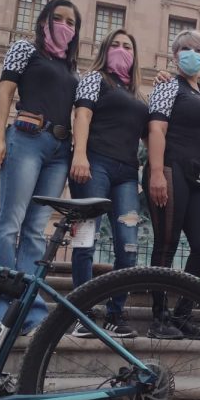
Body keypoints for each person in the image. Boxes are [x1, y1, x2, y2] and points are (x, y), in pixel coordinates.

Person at [0, 0, 81, 336]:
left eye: (72, 22)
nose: (65, 26)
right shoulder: (24, 49)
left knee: (36, 231)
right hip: (26, 138)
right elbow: (5, 93)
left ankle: (29, 315)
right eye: (59, 18)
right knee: (10, 223)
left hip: (60, 150)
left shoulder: (71, 68)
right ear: (44, 21)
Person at [68, 28, 148, 339]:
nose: (121, 49)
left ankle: (116, 314)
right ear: (104, 48)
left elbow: (150, 130)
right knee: (84, 240)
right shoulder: (94, 79)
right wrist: (80, 155)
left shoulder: (138, 94)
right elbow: (82, 115)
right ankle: (80, 314)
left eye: (127, 45)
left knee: (128, 246)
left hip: (126, 175)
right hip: (94, 166)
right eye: (114, 44)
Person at [144, 29, 200, 340]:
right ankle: (158, 317)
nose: (193, 54)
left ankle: (181, 314)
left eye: (198, 49)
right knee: (167, 242)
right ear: (176, 56)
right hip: (170, 168)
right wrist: (155, 172)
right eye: (186, 49)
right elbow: (156, 129)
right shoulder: (167, 87)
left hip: (198, 177)